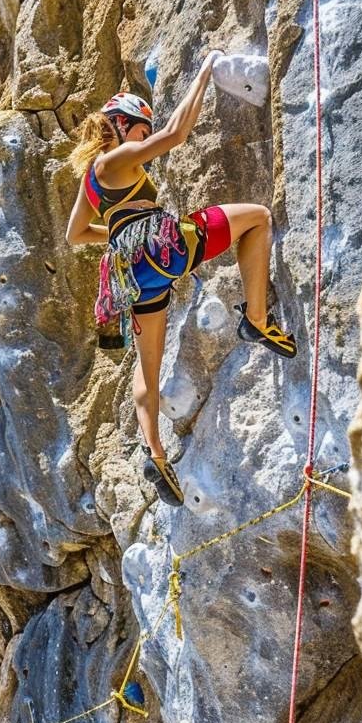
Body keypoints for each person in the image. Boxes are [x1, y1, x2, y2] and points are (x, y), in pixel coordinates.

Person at [64, 50, 296, 506]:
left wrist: (117, 235)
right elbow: (176, 133)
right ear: (124, 125)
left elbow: (75, 235)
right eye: (140, 131)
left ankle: (155, 453)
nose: (144, 142)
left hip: (132, 276)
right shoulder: (120, 156)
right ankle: (255, 319)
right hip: (159, 249)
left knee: (146, 368)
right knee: (258, 217)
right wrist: (207, 69)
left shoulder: (90, 180)